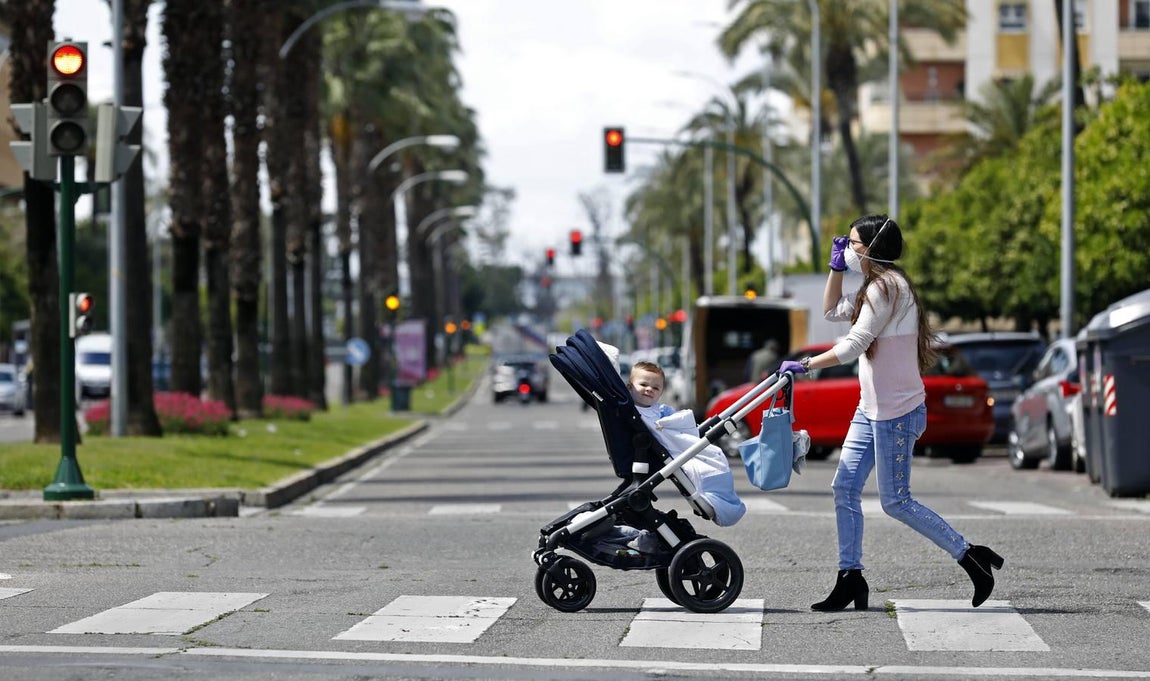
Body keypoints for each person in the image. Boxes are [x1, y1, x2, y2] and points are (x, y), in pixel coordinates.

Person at [778, 214, 1004, 612]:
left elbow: (853, 345)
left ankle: (971, 556)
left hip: (896, 413)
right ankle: (850, 578)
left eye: (851, 244)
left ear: (871, 248)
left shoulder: (887, 288)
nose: (845, 249)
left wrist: (808, 365)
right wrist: (835, 270)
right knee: (844, 488)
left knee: (896, 501)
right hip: (871, 409)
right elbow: (831, 311)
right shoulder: (873, 287)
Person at [628, 360, 746, 527]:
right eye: (643, 384)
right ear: (630, 387)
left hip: (673, 445)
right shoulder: (637, 413)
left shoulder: (655, 410)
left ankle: (723, 500)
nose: (649, 389)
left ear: (661, 392)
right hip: (669, 450)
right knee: (711, 459)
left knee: (715, 455)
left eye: (656, 388)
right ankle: (720, 502)